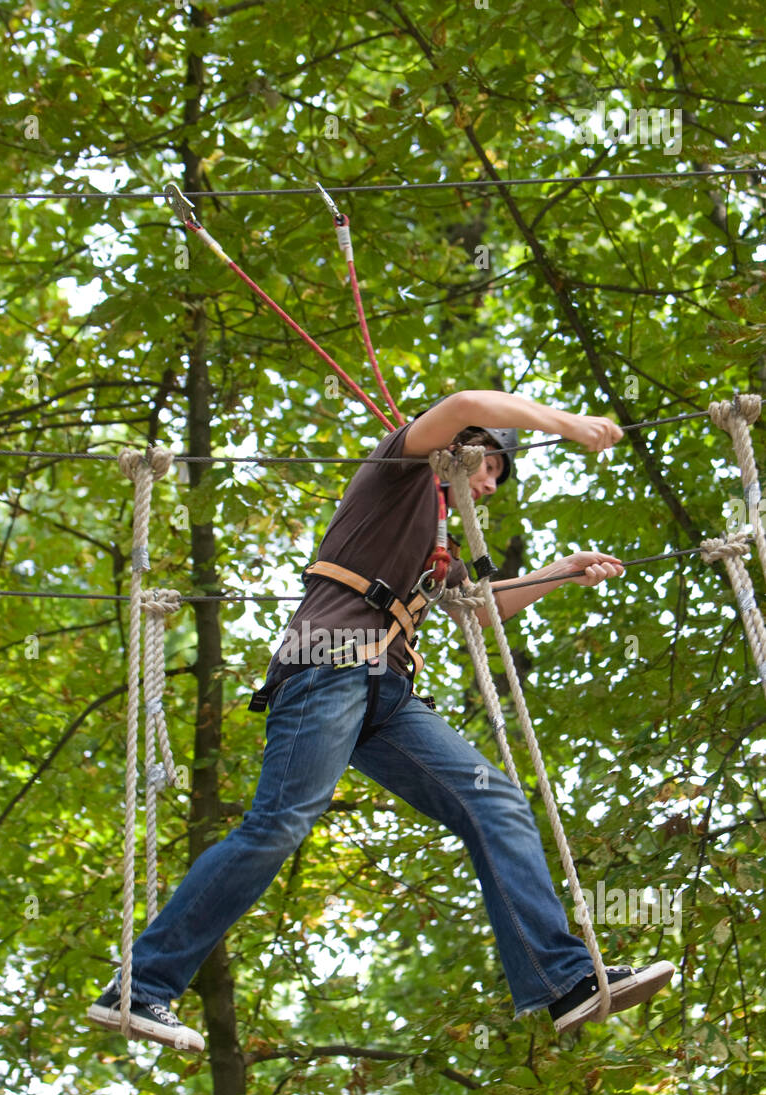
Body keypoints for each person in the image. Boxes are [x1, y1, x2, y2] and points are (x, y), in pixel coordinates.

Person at [88, 390, 674, 1051]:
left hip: (387, 694)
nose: (487, 488)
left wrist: (562, 573)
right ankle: (144, 984)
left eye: (495, 480)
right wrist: (566, 425)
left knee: (498, 805)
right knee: (279, 823)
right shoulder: (399, 470)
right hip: (329, 664)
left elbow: (483, 612)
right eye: (488, 470)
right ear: (464, 448)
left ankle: (563, 979)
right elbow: (462, 401)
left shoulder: (437, 540)